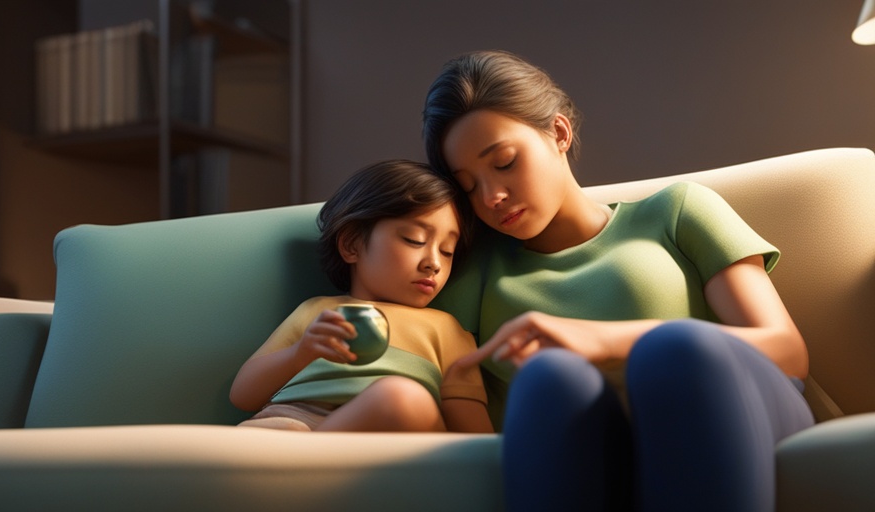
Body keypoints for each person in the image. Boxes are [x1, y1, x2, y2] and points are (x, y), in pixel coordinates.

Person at [421, 50, 814, 511]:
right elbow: (423, 367)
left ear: (559, 133)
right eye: (468, 185)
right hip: (586, 453)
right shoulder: (473, 269)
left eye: (505, 162)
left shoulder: (675, 212)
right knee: (549, 377)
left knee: (672, 350)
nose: (491, 197)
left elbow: (788, 353)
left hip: (736, 412)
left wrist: (610, 341)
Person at [230, 159, 493, 434]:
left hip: (379, 438)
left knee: (402, 399)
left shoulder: (446, 328)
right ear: (352, 244)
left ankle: (304, 463)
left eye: (447, 250)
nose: (434, 263)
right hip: (288, 422)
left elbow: (472, 430)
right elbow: (243, 395)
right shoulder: (318, 310)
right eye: (414, 239)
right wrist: (299, 354)